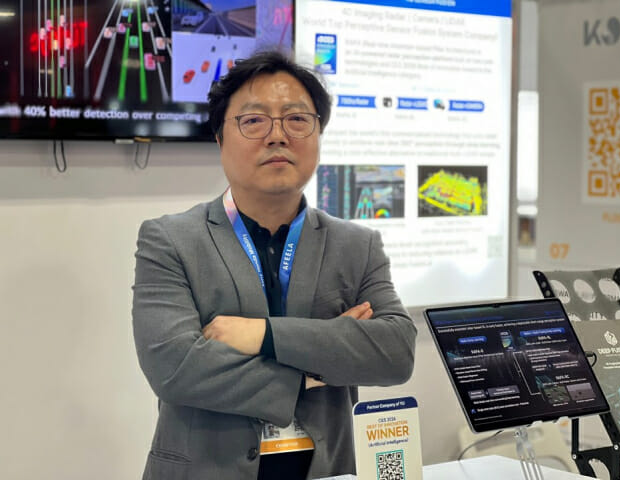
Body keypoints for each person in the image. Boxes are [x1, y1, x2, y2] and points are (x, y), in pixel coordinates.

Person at [132, 50, 417, 480]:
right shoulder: (169, 240)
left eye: (297, 119)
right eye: (254, 120)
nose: (278, 136)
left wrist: (260, 335)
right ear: (219, 139)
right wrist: (317, 368)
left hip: (328, 471)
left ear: (318, 134)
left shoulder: (357, 245)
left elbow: (395, 353)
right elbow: (175, 369)